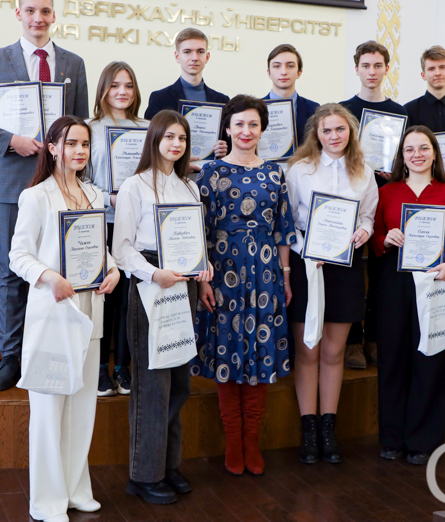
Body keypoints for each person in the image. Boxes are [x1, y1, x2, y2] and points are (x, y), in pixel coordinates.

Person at [0, 0, 89, 391]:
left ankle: (54, 348)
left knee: (60, 269)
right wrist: (11, 140)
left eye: (45, 11)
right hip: (13, 184)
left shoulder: (73, 64)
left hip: (62, 185)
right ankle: (11, 358)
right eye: (30, 11)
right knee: (15, 272)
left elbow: (79, 127)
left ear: (54, 15)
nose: (38, 19)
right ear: (18, 14)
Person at [9, 115, 121, 522]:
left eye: (85, 145)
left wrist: (114, 270)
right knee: (48, 411)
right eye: (71, 143)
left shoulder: (92, 195)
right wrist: (50, 277)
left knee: (81, 408)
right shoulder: (36, 197)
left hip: (90, 314)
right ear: (53, 148)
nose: (79, 151)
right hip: (53, 315)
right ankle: (47, 501)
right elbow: (18, 256)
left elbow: (99, 250)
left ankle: (75, 489)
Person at [192, 95, 297, 476]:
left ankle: (252, 439)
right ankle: (232, 441)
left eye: (253, 124)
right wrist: (204, 277)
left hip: (266, 272)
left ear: (262, 128)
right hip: (222, 269)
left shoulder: (275, 172)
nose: (246, 131)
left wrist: (285, 275)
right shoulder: (210, 172)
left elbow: (283, 229)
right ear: (227, 128)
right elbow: (198, 231)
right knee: (227, 349)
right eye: (239, 124)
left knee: (260, 348)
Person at [113, 110, 213, 504]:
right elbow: (121, 248)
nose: (175, 144)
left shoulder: (190, 189)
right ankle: (143, 475)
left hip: (184, 288)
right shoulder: (134, 186)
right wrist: (154, 274)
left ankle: (168, 467)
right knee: (152, 385)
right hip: (151, 287)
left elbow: (195, 240)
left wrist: (203, 265)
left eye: (182, 139)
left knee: (179, 383)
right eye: (168, 136)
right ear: (153, 139)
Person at [285, 103, 377, 464]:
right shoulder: (300, 171)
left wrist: (364, 231)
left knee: (334, 352)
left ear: (350, 132)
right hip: (307, 264)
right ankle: (308, 429)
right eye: (327, 130)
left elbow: (368, 215)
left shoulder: (364, 172)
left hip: (346, 267)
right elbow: (288, 221)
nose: (334, 136)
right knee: (307, 350)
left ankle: (328, 427)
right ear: (317, 134)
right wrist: (306, 250)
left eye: (340, 130)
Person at [372, 125, 445, 465]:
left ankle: (423, 441)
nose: (417, 154)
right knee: (393, 359)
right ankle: (392, 438)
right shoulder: (387, 191)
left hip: (434, 284)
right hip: (393, 284)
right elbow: (375, 235)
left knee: (431, 360)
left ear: (435, 153)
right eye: (409, 149)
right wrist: (385, 239)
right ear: (402, 156)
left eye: (423, 148)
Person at [339, 40, 407, 370]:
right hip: (352, 199)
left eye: (377, 65)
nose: (371, 71)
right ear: (357, 69)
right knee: (351, 272)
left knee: (381, 272)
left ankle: (374, 338)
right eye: (365, 65)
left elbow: (406, 160)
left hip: (388, 199)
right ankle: (351, 341)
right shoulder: (343, 110)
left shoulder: (399, 113)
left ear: (386, 69)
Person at [86, 61, 147, 398]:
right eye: (114, 85)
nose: (122, 92)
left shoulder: (147, 127)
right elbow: (80, 178)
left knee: (128, 299)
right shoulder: (89, 128)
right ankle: (99, 369)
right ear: (103, 90)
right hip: (101, 222)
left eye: (128, 86)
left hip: (135, 227)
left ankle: (123, 367)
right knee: (103, 297)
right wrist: (105, 196)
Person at [143, 27, 230, 167]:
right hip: (171, 175)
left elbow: (231, 143)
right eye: (187, 52)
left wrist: (225, 149)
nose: (194, 57)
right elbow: (149, 143)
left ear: (207, 57)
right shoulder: (160, 98)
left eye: (200, 52)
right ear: (177, 57)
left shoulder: (222, 101)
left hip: (211, 175)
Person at [265, 43, 320, 148]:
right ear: (269, 73)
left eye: (290, 66)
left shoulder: (314, 109)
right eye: (277, 66)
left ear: (299, 73)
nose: (283, 72)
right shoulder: (254, 108)